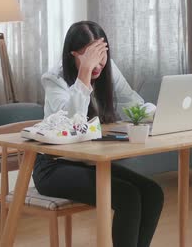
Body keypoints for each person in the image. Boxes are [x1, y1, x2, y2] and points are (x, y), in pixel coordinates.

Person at [33, 20, 164, 247]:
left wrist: (158, 113)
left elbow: (134, 103)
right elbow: (72, 123)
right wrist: (84, 73)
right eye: (90, 54)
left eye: (101, 53)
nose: (98, 62)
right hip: (54, 167)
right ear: (73, 54)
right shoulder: (54, 79)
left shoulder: (108, 68)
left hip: (89, 162)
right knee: (128, 197)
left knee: (153, 193)